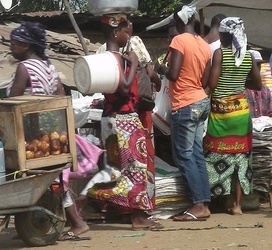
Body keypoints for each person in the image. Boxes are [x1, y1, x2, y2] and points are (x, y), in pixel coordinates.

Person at [7, 21, 90, 240]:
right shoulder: (49, 66)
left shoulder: (24, 67)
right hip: (51, 133)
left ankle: (78, 223)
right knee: (50, 179)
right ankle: (31, 222)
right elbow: (61, 97)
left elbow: (11, 102)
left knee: (40, 178)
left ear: (26, 45)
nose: (11, 48)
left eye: (14, 44)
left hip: (30, 135)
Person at [84, 13, 162, 230]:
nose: (127, 36)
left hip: (111, 118)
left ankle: (88, 200)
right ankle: (137, 217)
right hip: (125, 119)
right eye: (125, 32)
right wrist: (135, 62)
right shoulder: (117, 58)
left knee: (116, 170)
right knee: (136, 168)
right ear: (115, 32)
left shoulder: (105, 57)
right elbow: (125, 87)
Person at [157, 5, 212, 221]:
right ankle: (204, 202)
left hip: (185, 104)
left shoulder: (179, 40)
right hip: (201, 100)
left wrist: (161, 68)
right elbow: (205, 81)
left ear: (179, 21)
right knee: (196, 154)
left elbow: (173, 74)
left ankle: (198, 204)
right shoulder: (204, 44)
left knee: (184, 155)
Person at [204, 17, 262, 215]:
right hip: (241, 113)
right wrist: (239, 83)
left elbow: (212, 84)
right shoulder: (248, 56)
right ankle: (237, 205)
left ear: (222, 35)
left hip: (221, 114)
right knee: (240, 159)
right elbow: (258, 85)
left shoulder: (220, 54)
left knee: (214, 155)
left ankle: (213, 202)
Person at [244, 50, 272, 118]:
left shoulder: (265, 90)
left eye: (258, 65)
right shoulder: (240, 89)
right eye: (253, 65)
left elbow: (270, 112)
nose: (256, 69)